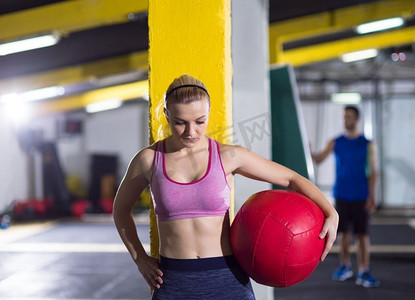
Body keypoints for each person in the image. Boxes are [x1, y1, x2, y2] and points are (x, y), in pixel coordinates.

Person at [113, 74, 339, 299]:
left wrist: (331, 212)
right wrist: (140, 259)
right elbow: (120, 211)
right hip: (173, 281)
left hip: (227, 278)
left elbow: (291, 178)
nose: (191, 132)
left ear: (209, 113)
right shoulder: (149, 160)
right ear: (166, 114)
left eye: (200, 121)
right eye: (180, 122)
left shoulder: (228, 156)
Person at [311, 105, 380, 288]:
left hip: (361, 196)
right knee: (343, 234)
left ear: (356, 119)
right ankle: (345, 266)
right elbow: (318, 159)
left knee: (363, 236)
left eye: (349, 116)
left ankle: (364, 271)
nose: (345, 120)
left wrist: (372, 196)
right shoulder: (335, 142)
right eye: (344, 117)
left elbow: (374, 172)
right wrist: (308, 150)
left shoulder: (368, 144)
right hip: (341, 195)